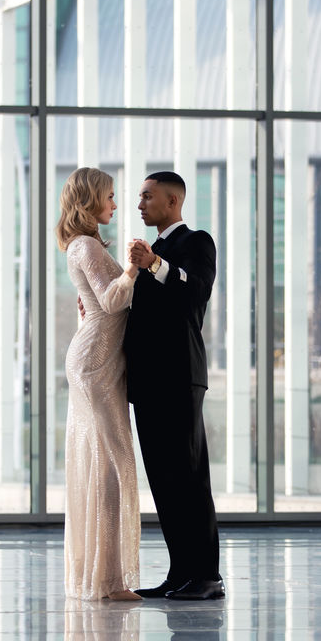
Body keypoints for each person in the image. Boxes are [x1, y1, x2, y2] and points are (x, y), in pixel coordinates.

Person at [125, 171, 224, 600]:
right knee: (164, 481)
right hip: (147, 380)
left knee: (188, 477)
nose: (140, 204)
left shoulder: (195, 243)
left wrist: (156, 265)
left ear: (172, 201)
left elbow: (196, 290)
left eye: (147, 197)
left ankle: (207, 577)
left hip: (181, 376)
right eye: (139, 197)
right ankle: (179, 572)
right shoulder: (153, 251)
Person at [56, 167, 142, 601]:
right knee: (111, 464)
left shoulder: (80, 246)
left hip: (96, 359)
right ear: (90, 200)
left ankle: (101, 576)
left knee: (102, 463)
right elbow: (110, 299)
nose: (114, 203)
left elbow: (92, 303)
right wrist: (133, 268)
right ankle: (107, 581)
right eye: (109, 196)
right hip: (95, 362)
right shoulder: (87, 245)